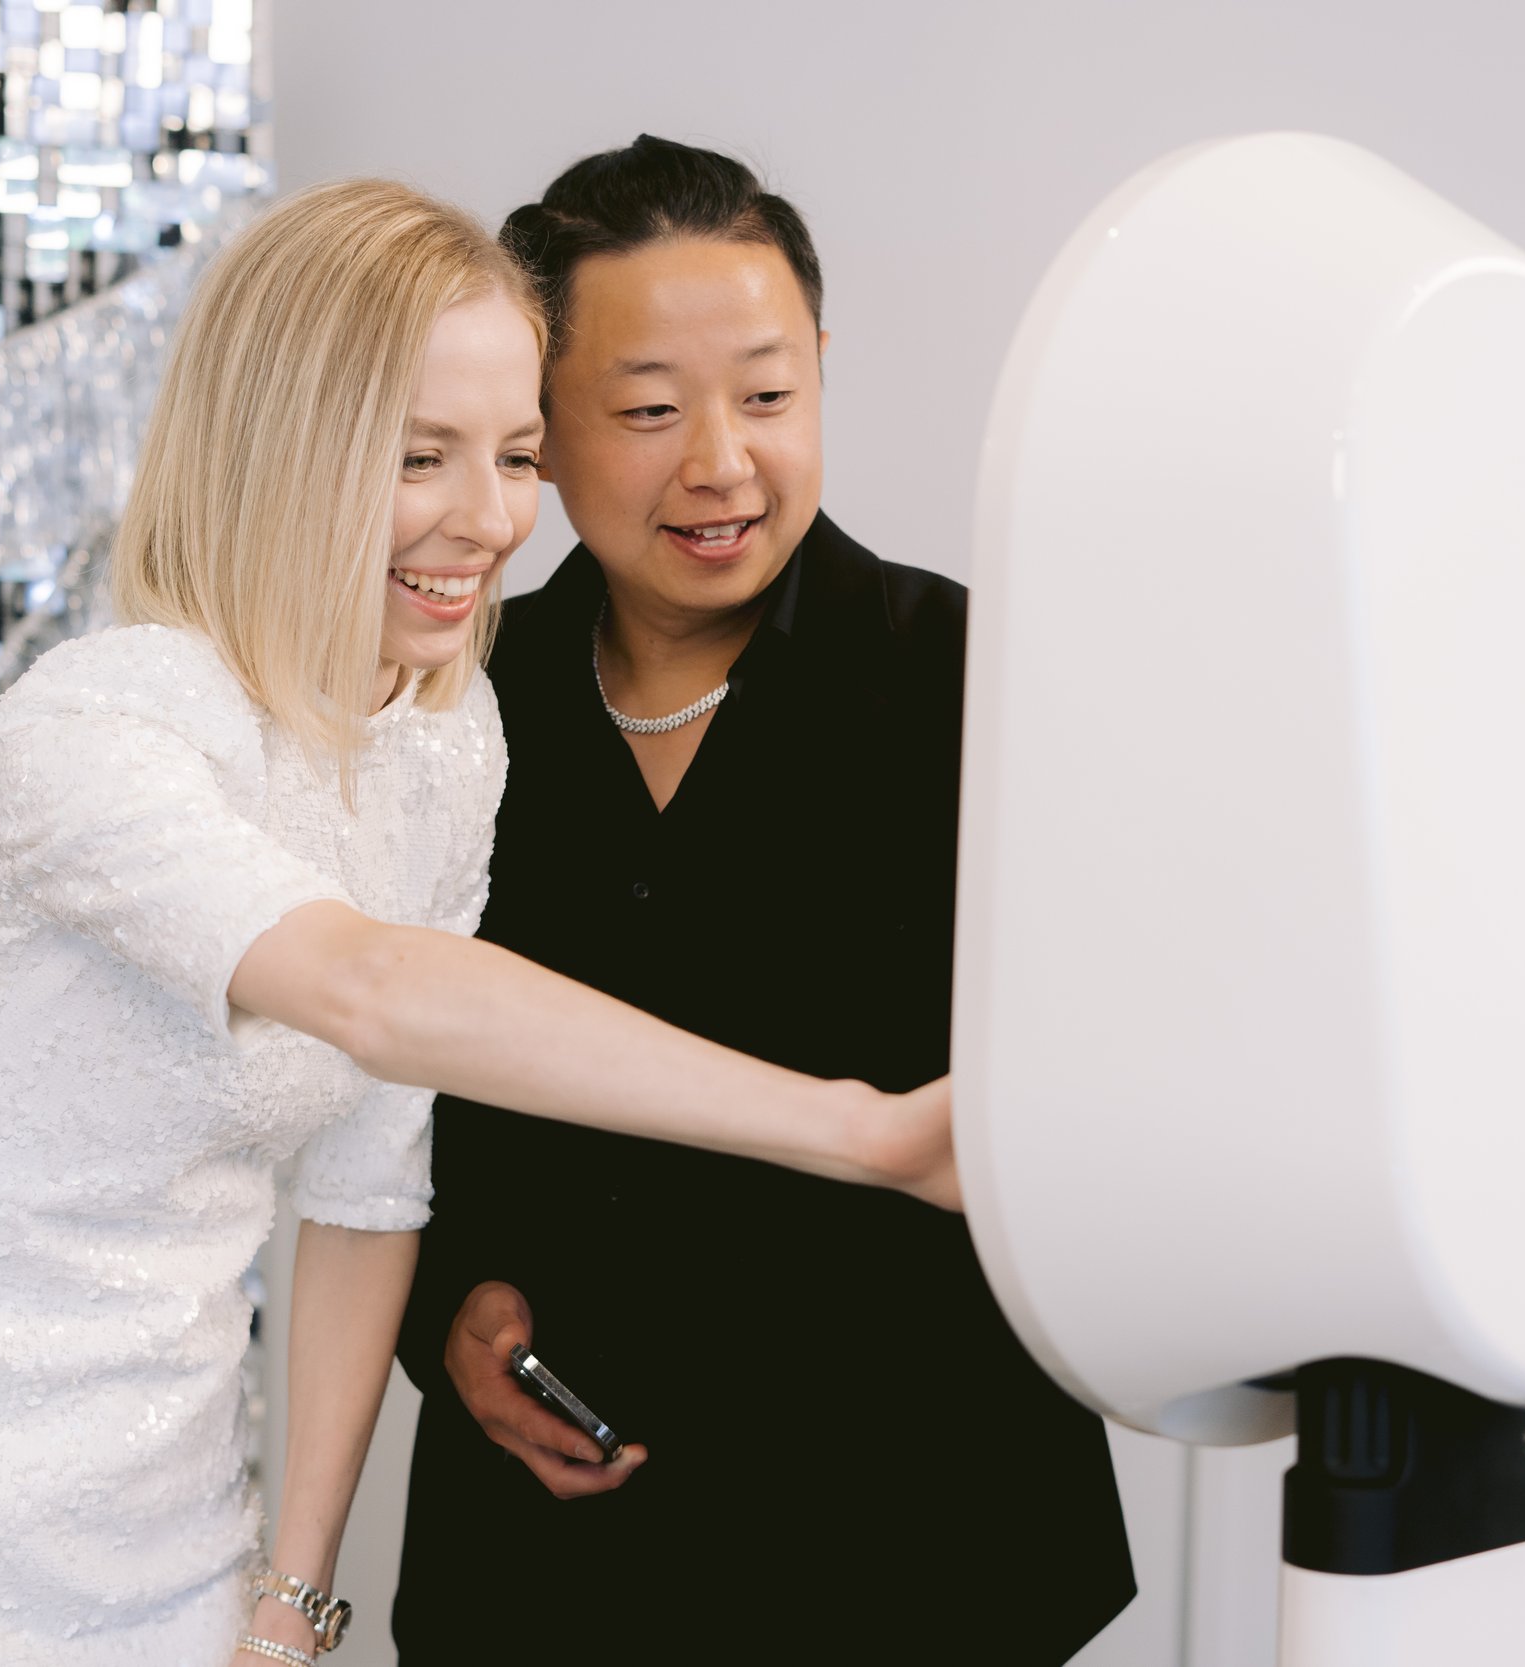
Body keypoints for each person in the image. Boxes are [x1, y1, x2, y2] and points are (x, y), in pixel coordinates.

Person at [0, 180, 954, 1667]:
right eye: (420, 457)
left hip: (179, 1531)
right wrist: (865, 1131)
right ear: (283, 446)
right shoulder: (102, 728)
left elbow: (372, 1193)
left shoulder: (439, 743)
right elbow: (375, 990)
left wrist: (294, 1597)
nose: (489, 521)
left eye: (514, 456)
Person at [388, 137, 1137, 1664]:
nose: (722, 463)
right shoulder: (444, 704)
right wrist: (448, 1312)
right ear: (540, 426)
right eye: (649, 410)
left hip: (914, 1550)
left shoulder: (982, 682)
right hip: (543, 1572)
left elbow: (1108, 1094)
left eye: (770, 396)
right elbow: (380, 1089)